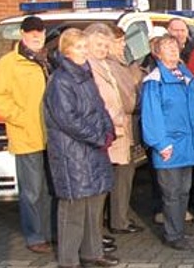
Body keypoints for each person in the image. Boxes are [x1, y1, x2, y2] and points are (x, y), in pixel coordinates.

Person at [43, 28, 118, 268]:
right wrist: (98, 136)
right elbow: (68, 119)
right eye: (78, 47)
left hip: (93, 150)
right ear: (66, 50)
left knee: (94, 204)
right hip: (72, 153)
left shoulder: (86, 75)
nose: (83, 52)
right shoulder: (60, 80)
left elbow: (100, 108)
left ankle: (92, 252)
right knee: (73, 209)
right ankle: (69, 259)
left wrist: (109, 131)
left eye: (85, 47)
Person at [0, 16, 53, 254]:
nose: (36, 36)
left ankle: (48, 233)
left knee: (49, 189)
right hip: (27, 136)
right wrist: (22, 119)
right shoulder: (8, 63)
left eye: (40, 31)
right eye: (31, 32)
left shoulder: (48, 60)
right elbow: (0, 99)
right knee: (32, 191)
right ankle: (34, 236)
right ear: (22, 33)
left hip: (51, 136)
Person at [141, 35, 194, 250]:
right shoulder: (154, 81)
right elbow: (151, 116)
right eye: (167, 48)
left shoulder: (185, 76)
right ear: (157, 53)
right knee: (171, 193)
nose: (173, 51)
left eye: (175, 47)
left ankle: (179, 231)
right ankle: (172, 234)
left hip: (188, 143)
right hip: (169, 146)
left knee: (184, 191)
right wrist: (160, 143)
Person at [83, 23, 143, 236]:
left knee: (119, 176)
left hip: (121, 127)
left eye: (105, 44)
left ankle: (112, 225)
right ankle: (98, 232)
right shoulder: (94, 67)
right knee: (103, 184)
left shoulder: (116, 64)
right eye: (99, 44)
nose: (104, 48)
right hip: (108, 130)